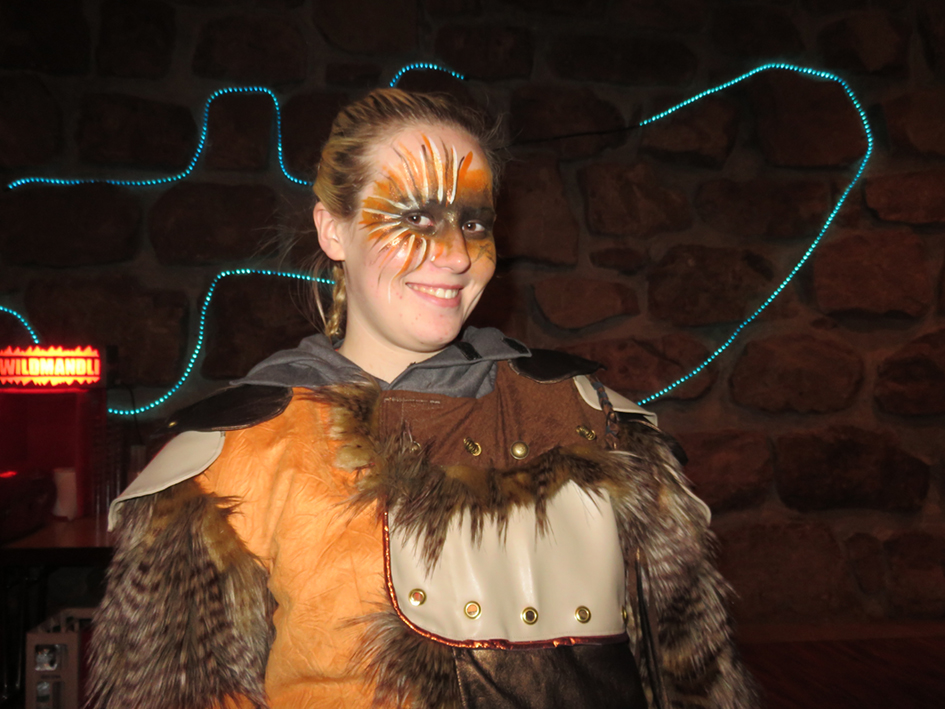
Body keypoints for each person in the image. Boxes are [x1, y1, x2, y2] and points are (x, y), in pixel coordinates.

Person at [89, 88, 757, 709]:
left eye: (474, 222)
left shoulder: (596, 420)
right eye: (413, 216)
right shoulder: (235, 456)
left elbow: (690, 673)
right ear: (333, 230)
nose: (456, 255)